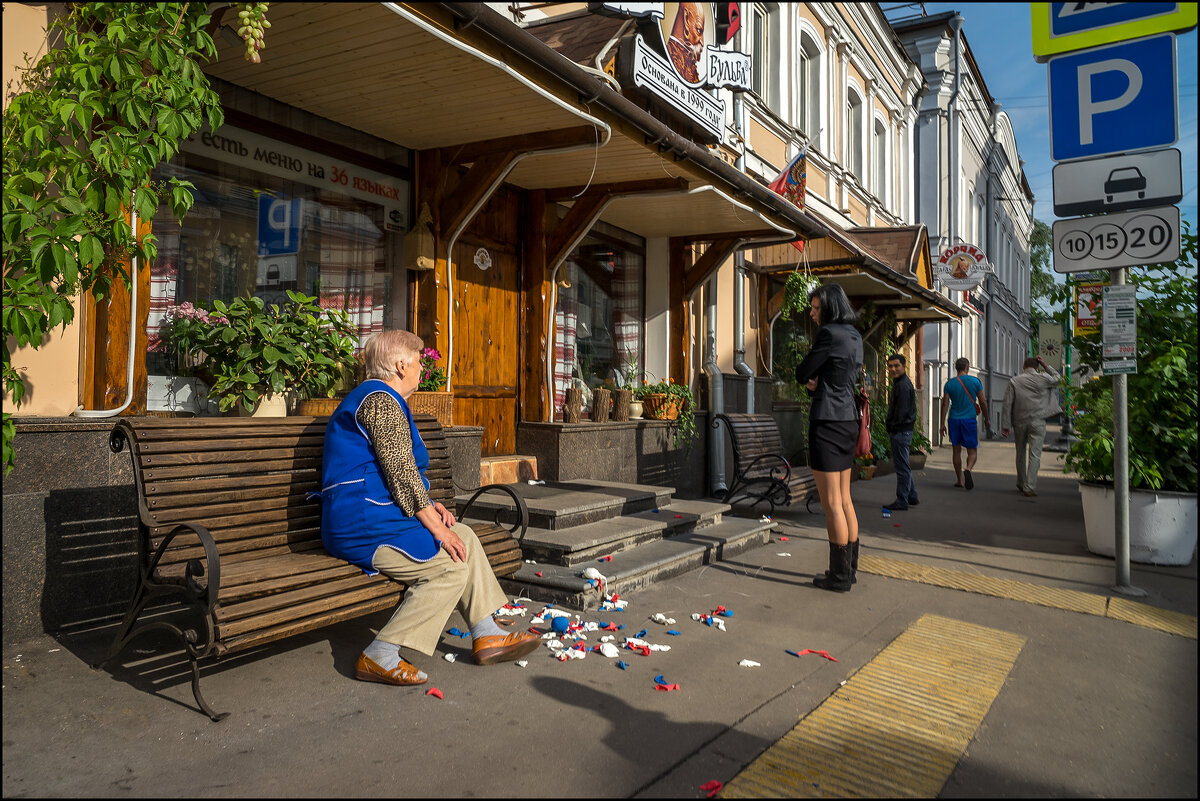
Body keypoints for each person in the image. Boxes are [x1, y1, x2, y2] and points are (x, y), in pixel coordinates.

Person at [319, 329, 540, 686]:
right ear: (401, 364)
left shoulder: (386, 400)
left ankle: (485, 632)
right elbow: (400, 471)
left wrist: (431, 505)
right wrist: (434, 525)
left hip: (378, 515)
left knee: (463, 535)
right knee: (448, 569)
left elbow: (390, 470)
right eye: (419, 359)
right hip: (362, 526)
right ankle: (381, 654)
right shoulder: (380, 400)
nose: (422, 367)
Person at [795, 283, 864, 592]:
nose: (811, 313)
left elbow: (802, 371)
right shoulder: (854, 336)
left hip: (827, 420)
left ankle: (837, 578)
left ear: (829, 307)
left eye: (815, 308)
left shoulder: (829, 335)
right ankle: (848, 570)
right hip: (849, 420)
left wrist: (813, 385)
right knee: (846, 500)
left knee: (832, 503)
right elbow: (841, 377)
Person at [1000, 355, 1063, 497]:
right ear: (1037, 367)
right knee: (1035, 455)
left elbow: (1007, 403)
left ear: (1023, 367)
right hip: (1038, 421)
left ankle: (1021, 483)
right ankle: (1029, 486)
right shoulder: (1044, 378)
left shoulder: (1014, 381)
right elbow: (1059, 379)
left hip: (1019, 421)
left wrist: (1005, 425)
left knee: (1020, 453)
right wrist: (1046, 366)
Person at [940, 357, 989, 490]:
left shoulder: (949, 384)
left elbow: (945, 404)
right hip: (969, 420)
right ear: (967, 367)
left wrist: (941, 423)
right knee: (972, 451)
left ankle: (960, 480)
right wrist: (987, 418)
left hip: (954, 419)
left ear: (956, 368)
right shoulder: (975, 381)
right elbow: (983, 401)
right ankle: (968, 468)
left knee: (956, 450)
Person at [882, 354, 919, 511]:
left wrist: (892, 427)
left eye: (896, 365)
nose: (893, 369)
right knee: (904, 465)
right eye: (890, 366)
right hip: (902, 430)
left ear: (904, 366)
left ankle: (902, 499)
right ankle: (911, 496)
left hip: (900, 431)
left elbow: (902, 413)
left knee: (902, 467)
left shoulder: (903, 385)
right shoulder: (900, 383)